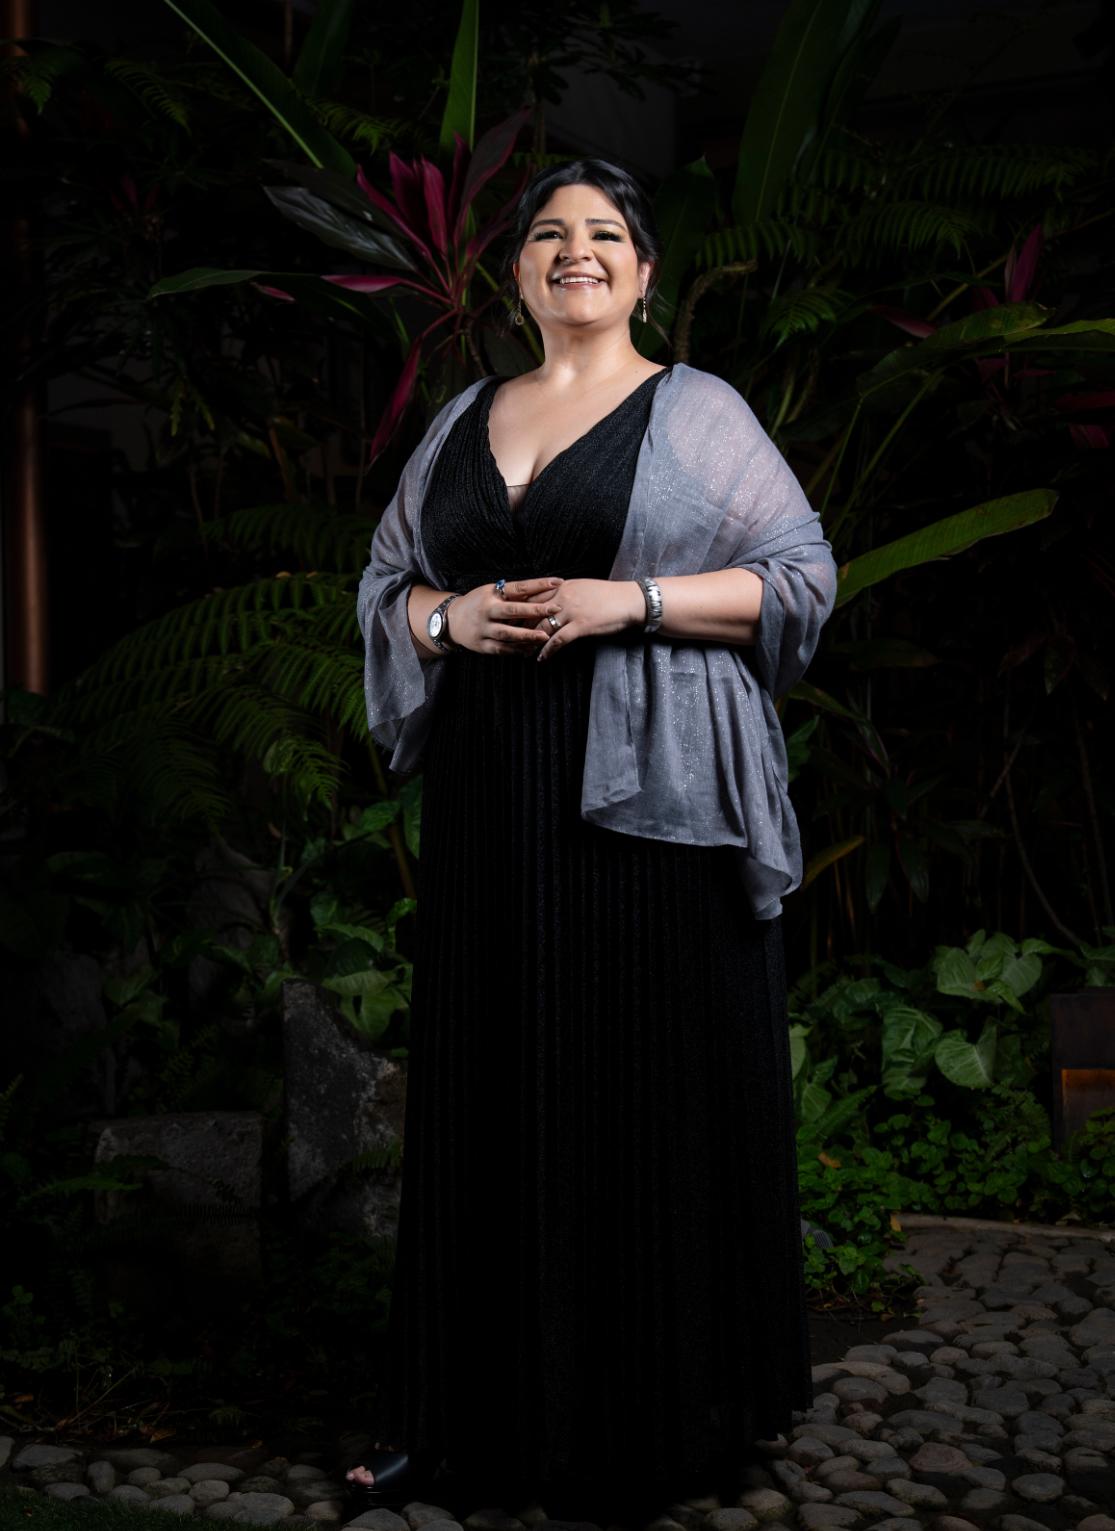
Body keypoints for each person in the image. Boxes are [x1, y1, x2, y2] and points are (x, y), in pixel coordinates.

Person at [346, 157, 838, 1522]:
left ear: (644, 269)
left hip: (646, 818)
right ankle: (456, 1423)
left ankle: (653, 1428)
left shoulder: (699, 410)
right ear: (514, 272)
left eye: (605, 233)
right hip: (491, 808)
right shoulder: (463, 418)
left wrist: (634, 604)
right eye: (550, 234)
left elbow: (803, 578)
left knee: (637, 1094)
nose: (577, 251)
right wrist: (446, 620)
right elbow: (387, 583)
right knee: (488, 1094)